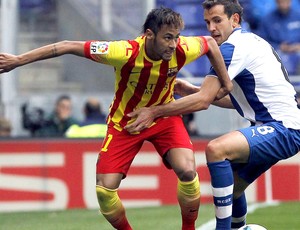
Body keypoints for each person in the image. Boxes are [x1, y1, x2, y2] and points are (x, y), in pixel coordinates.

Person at [0, 7, 232, 229]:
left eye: (176, 37)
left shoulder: (181, 48)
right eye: (168, 38)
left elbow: (210, 43)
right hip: (126, 122)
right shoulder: (124, 52)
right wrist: (19, 60)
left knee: (188, 172)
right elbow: (68, 45)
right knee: (105, 192)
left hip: (163, 117)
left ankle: (188, 228)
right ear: (149, 35)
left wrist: (227, 81)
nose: (173, 44)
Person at [125, 1, 300, 229]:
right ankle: (238, 227)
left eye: (217, 20)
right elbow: (239, 102)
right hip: (279, 125)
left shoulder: (231, 48)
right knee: (233, 187)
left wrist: (154, 111)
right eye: (207, 22)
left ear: (235, 20)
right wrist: (195, 91)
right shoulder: (250, 41)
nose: (211, 28)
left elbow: (203, 102)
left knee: (216, 150)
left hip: (283, 129)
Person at [258, 0, 300, 75]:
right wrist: (278, 47)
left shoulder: (298, 16)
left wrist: (298, 46)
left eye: (286, 2)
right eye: (281, 2)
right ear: (276, 2)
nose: (284, 5)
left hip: (297, 50)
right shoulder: (267, 19)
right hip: (277, 51)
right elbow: (261, 41)